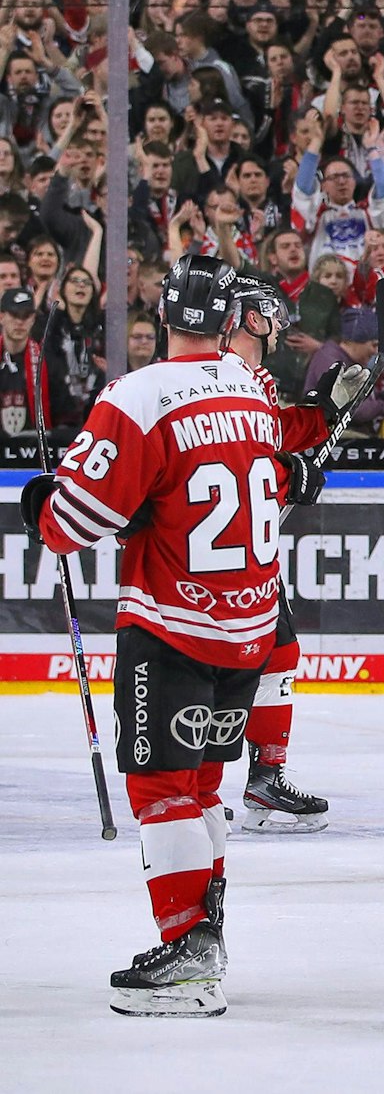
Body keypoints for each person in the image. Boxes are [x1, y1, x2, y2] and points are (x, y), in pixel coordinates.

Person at [22, 255, 323, 1017]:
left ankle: (189, 950)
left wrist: (42, 509)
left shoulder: (138, 395)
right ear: (227, 323)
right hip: (251, 625)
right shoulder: (253, 394)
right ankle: (208, 931)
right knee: (201, 787)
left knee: (160, 789)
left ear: (163, 320)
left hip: (175, 625)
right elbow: (277, 478)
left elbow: (77, 521)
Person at [224, 274, 374, 832]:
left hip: (248, 546)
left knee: (279, 652)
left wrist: (320, 412)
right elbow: (241, 457)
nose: (279, 325)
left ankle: (264, 779)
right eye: (269, 313)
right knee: (225, 661)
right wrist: (289, 473)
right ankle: (195, 787)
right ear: (246, 317)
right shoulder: (225, 376)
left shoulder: (251, 377)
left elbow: (268, 434)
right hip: (216, 553)